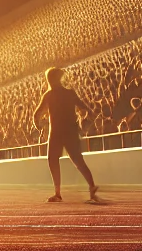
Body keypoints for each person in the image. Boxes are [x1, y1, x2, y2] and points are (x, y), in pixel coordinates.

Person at [34, 66, 102, 204]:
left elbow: (36, 114)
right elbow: (85, 108)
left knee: (52, 160)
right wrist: (85, 120)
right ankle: (92, 186)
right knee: (78, 160)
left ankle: (57, 193)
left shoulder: (49, 95)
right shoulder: (69, 93)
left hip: (56, 133)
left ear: (49, 79)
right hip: (70, 130)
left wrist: (39, 125)